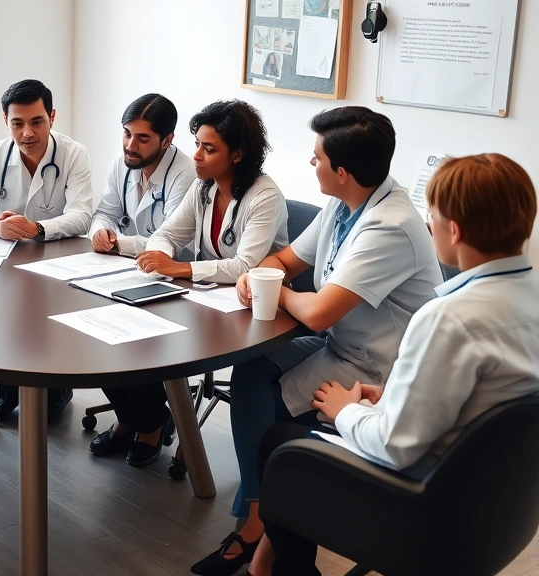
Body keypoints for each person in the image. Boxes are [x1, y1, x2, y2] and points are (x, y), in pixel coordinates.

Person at [259, 154, 539, 576]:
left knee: (280, 445)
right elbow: (486, 403)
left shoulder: (449, 317)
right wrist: (388, 399)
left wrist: (346, 409)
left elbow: (396, 446)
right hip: (499, 505)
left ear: (454, 230)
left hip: (423, 502)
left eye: (434, 214)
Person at [192, 107, 442, 576]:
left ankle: (263, 529)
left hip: (376, 369)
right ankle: (259, 514)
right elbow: (288, 258)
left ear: (342, 172)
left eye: (317, 158)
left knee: (275, 428)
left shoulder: (389, 225)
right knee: (253, 369)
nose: (312, 165)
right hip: (339, 345)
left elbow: (320, 308)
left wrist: (268, 284)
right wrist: (264, 273)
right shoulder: (344, 204)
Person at [93, 99, 286, 467]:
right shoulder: (204, 188)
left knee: (149, 344)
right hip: (206, 298)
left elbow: (244, 265)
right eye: (196, 144)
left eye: (208, 148)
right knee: (120, 329)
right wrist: (159, 254)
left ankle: (150, 425)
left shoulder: (265, 196)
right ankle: (133, 419)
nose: (195, 155)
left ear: (238, 155)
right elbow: (166, 234)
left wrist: (179, 270)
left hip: (250, 308)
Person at [0, 78, 93, 421]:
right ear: (6, 121)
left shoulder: (73, 153)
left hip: (58, 257)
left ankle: (57, 387)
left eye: (37, 122)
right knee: (7, 322)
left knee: (48, 328)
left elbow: (82, 215)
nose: (27, 133)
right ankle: (6, 389)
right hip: (9, 259)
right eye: (17, 123)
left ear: (52, 117)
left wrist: (38, 228)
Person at [88, 93, 195, 257]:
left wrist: (118, 243)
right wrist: (99, 231)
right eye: (127, 134)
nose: (130, 146)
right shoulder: (122, 161)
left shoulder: (185, 173)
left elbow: (169, 240)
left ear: (167, 141)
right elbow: (106, 213)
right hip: (126, 263)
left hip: (173, 269)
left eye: (143, 139)